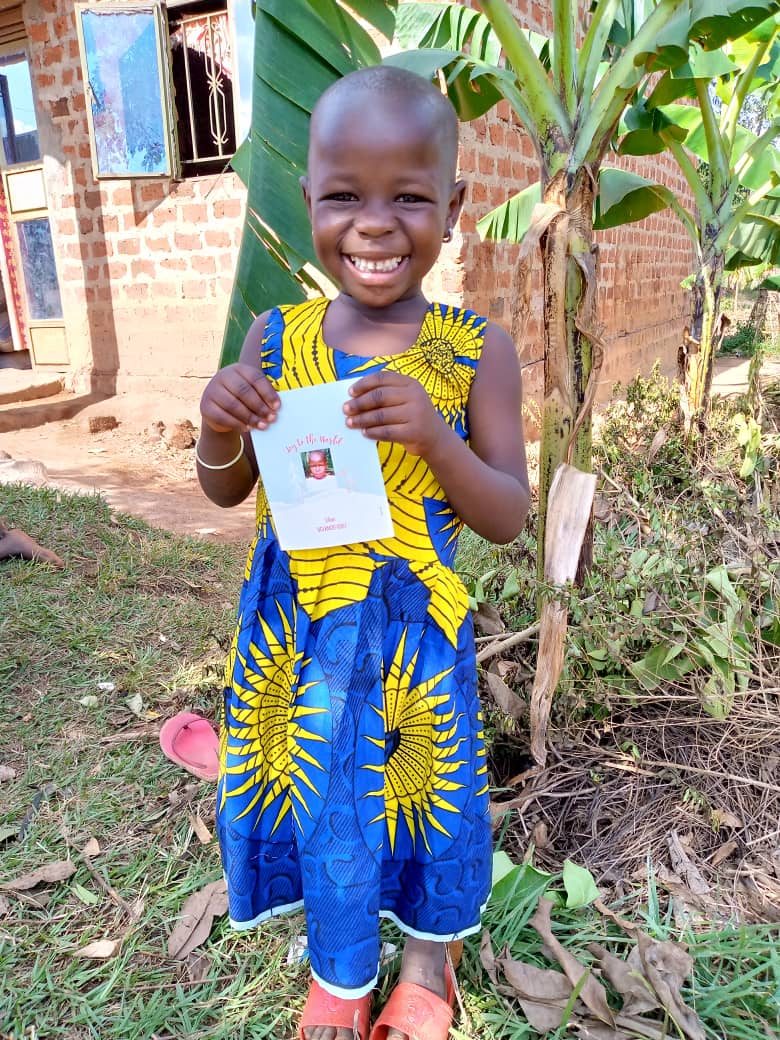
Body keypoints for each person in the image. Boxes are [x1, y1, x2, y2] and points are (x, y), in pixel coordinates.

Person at [196, 65, 530, 1040]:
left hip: (414, 633)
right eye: (343, 194)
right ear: (306, 198)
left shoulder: (476, 350)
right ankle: (341, 972)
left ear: (456, 206)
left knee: (431, 794)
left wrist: (436, 437)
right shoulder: (275, 334)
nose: (374, 224)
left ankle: (429, 958)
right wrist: (218, 428)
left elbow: (508, 512)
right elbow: (229, 487)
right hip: (303, 629)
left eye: (408, 197)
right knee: (329, 790)